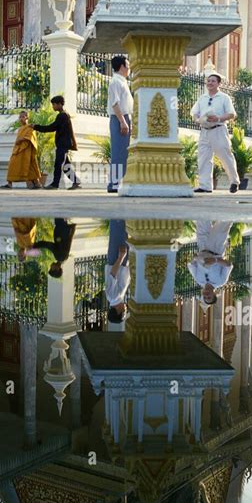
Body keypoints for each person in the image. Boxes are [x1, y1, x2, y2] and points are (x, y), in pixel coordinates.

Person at [191, 68, 240, 194]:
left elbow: (232, 114)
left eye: (213, 81)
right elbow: (194, 113)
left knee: (226, 157)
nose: (210, 83)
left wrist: (218, 118)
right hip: (204, 131)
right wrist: (197, 119)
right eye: (208, 81)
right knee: (203, 158)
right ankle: (205, 185)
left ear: (219, 84)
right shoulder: (202, 98)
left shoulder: (224, 98)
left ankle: (234, 181)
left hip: (218, 130)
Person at [32, 96, 81, 190]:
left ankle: (55, 184)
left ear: (59, 104)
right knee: (65, 165)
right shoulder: (64, 115)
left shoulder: (62, 115)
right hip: (64, 144)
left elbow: (51, 127)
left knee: (58, 164)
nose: (53, 106)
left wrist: (36, 127)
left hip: (63, 144)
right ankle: (76, 182)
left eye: (54, 104)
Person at [187, 221, 233, 307]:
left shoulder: (199, 280)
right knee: (224, 221)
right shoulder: (221, 281)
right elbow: (228, 265)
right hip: (216, 247)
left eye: (205, 297)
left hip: (202, 246)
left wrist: (194, 258)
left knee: (202, 217)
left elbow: (191, 265)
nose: (206, 295)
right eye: (209, 297)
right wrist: (215, 260)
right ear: (214, 294)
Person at [107, 55, 133, 193]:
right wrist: (123, 122)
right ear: (122, 66)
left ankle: (118, 182)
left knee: (123, 153)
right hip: (119, 119)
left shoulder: (122, 81)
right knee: (118, 152)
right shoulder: (115, 82)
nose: (129, 68)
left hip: (124, 118)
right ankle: (114, 183)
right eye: (127, 66)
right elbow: (115, 103)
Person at [4, 111, 42, 189]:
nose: (21, 119)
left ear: (27, 118)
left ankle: (37, 183)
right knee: (12, 164)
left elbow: (31, 138)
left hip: (27, 151)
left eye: (23, 117)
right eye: (20, 117)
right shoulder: (20, 129)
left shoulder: (30, 127)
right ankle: (9, 183)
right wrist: (19, 141)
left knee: (31, 166)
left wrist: (21, 139)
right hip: (19, 150)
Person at [105, 220, 130, 330]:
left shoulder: (112, 297)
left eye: (124, 313)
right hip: (121, 262)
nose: (125, 309)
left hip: (116, 259)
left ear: (118, 312)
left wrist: (121, 257)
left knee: (117, 229)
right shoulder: (118, 298)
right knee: (122, 230)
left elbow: (112, 275)